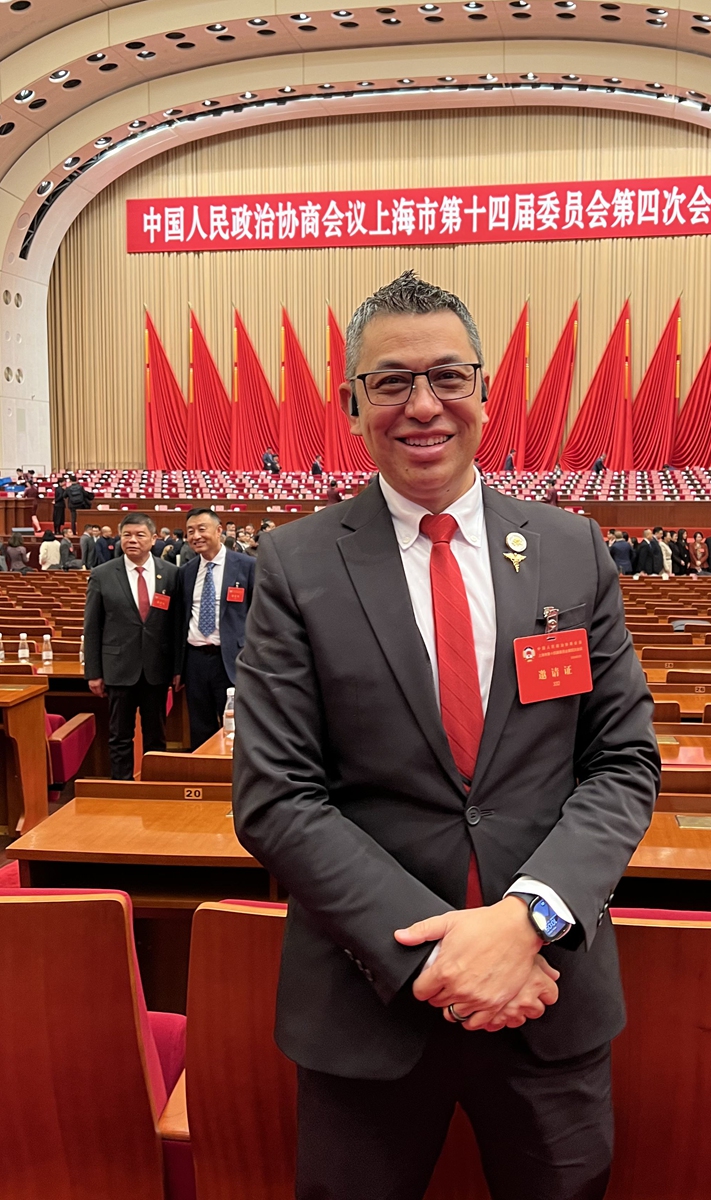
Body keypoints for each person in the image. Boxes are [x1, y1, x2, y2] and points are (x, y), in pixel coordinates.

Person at [232, 271, 659, 1200]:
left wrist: (528, 920)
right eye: (391, 382)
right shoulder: (296, 564)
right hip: (367, 1007)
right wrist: (447, 960)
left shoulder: (570, 550)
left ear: (484, 390)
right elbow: (277, 798)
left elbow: (621, 762)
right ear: (352, 404)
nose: (423, 406)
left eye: (447, 376)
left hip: (548, 993)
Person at [83, 514, 179, 780]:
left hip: (157, 669)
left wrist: (177, 668)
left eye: (139, 535)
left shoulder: (171, 574)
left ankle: (154, 787)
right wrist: (93, 672)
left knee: (156, 738)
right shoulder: (102, 574)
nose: (132, 540)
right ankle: (121, 788)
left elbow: (176, 625)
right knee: (120, 736)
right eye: (127, 535)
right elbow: (92, 627)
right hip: (118, 669)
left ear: (154, 539)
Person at [174, 508, 255, 751]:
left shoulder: (247, 566)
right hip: (196, 661)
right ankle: (203, 772)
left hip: (232, 660)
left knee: (238, 729)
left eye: (202, 529)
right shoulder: (186, 571)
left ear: (219, 530)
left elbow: (260, 615)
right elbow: (180, 620)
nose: (195, 536)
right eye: (190, 531)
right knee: (200, 728)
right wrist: (178, 668)